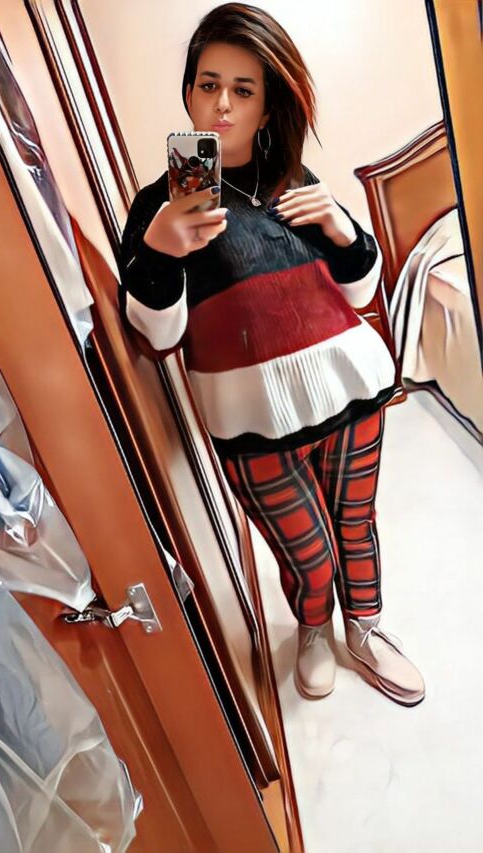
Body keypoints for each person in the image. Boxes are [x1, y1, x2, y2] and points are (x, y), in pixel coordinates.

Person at [118, 3, 425, 706]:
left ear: (266, 106)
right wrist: (162, 250)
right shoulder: (160, 205)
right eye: (208, 84)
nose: (222, 104)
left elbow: (361, 290)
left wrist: (343, 228)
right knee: (306, 552)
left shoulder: (294, 176)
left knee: (356, 526)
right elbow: (157, 337)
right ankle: (314, 627)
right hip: (253, 424)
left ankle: (366, 630)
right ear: (189, 92)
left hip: (354, 392)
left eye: (243, 89)